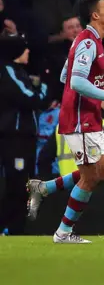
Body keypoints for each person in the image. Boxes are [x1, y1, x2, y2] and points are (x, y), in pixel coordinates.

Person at [26, 0, 104, 244]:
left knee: (103, 172)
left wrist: (101, 89)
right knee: (91, 177)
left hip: (89, 114)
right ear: (95, 15)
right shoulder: (87, 42)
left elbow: (66, 76)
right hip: (79, 118)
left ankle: (44, 188)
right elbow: (74, 81)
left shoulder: (90, 40)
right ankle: (63, 233)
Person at [0, 35, 52, 235]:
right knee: (16, 185)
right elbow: (29, 98)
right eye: (24, 49)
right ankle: (10, 227)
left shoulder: (19, 72)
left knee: (24, 187)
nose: (28, 52)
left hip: (26, 137)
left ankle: (16, 232)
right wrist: (42, 88)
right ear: (15, 52)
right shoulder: (7, 71)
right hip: (14, 138)